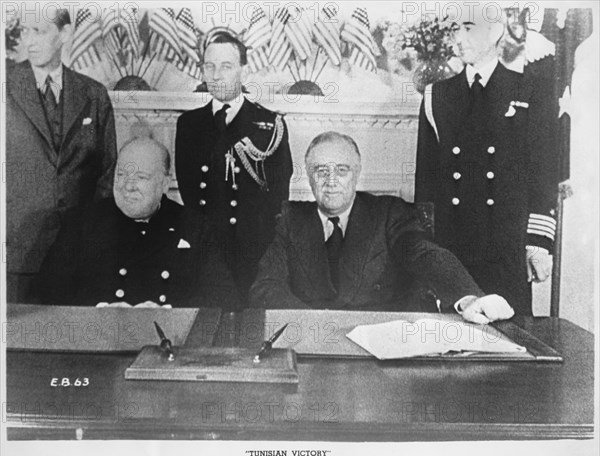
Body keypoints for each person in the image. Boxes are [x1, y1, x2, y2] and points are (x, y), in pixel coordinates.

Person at [250, 132, 514, 325]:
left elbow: (425, 254)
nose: (331, 181)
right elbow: (266, 287)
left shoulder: (388, 212)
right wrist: (313, 325)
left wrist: (466, 297)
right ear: (308, 177)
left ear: (357, 173)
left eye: (341, 170)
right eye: (321, 171)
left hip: (380, 351)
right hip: (312, 343)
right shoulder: (290, 219)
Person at [415, 9, 558, 315]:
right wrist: (423, 248)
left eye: (468, 28)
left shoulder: (530, 89)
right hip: (452, 244)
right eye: (455, 30)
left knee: (508, 339)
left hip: (506, 243)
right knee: (450, 339)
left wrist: (538, 242)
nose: (458, 38)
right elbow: (425, 183)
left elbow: (543, 171)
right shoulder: (436, 95)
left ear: (495, 32)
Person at [37, 138, 238, 310]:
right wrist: (99, 310)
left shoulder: (194, 227)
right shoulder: (82, 223)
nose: (128, 186)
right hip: (98, 340)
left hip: (168, 342)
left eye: (141, 177)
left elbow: (224, 297)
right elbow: (46, 292)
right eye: (121, 175)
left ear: (165, 183)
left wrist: (168, 312)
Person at [6, 7, 117, 303]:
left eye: (39, 31)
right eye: (25, 31)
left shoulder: (94, 95)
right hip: (15, 257)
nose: (29, 41)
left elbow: (107, 173)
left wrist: (91, 240)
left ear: (65, 34)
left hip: (76, 258)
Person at [175, 31, 293, 303]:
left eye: (226, 66)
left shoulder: (269, 125)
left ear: (243, 71)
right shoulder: (189, 125)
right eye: (209, 66)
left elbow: (279, 196)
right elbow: (190, 193)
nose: (216, 75)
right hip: (207, 252)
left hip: (255, 249)